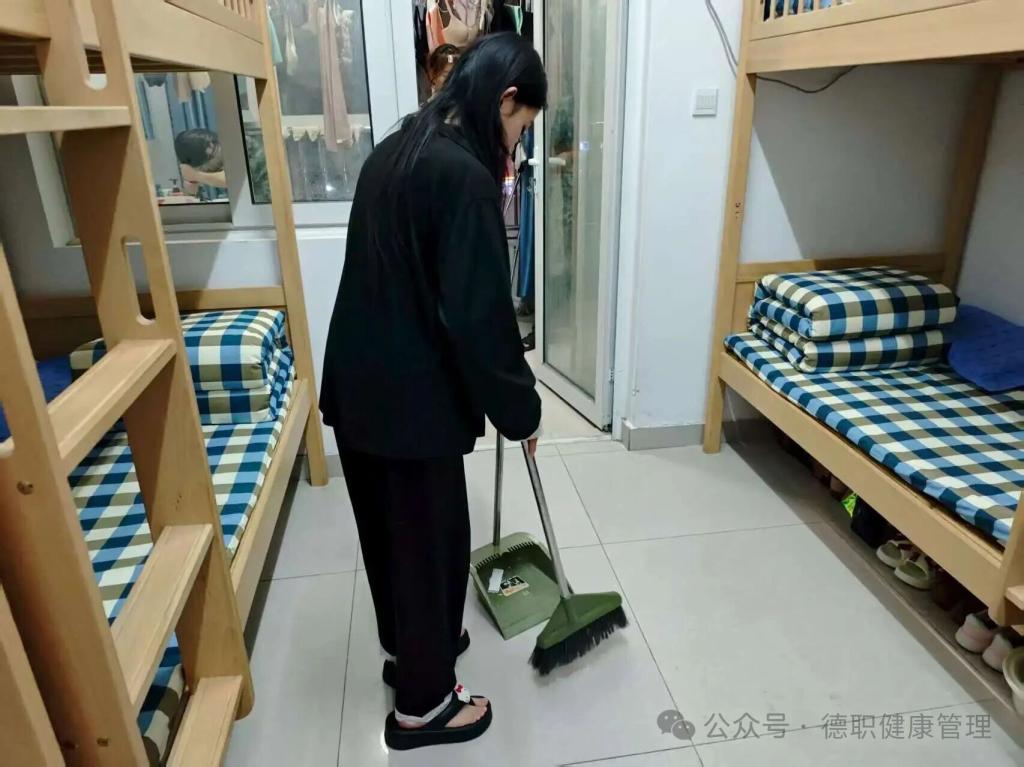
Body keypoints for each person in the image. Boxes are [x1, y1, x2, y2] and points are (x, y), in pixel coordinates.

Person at [319, 33, 545, 751]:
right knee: (430, 547)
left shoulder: (397, 149)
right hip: (410, 404)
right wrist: (522, 410)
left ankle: (413, 650)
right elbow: (480, 318)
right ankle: (423, 705)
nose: (516, 144)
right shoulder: (463, 177)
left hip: (360, 389)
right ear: (505, 101)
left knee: (394, 542)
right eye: (522, 128)